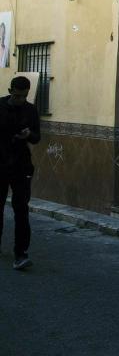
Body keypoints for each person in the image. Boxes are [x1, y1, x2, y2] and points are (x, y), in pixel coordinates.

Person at [0, 76, 41, 270]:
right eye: (17, 96)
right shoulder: (0, 106)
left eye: (23, 96)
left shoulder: (30, 110)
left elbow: (37, 137)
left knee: (21, 211)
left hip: (21, 166)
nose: (20, 100)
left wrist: (28, 135)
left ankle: (21, 254)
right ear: (10, 90)